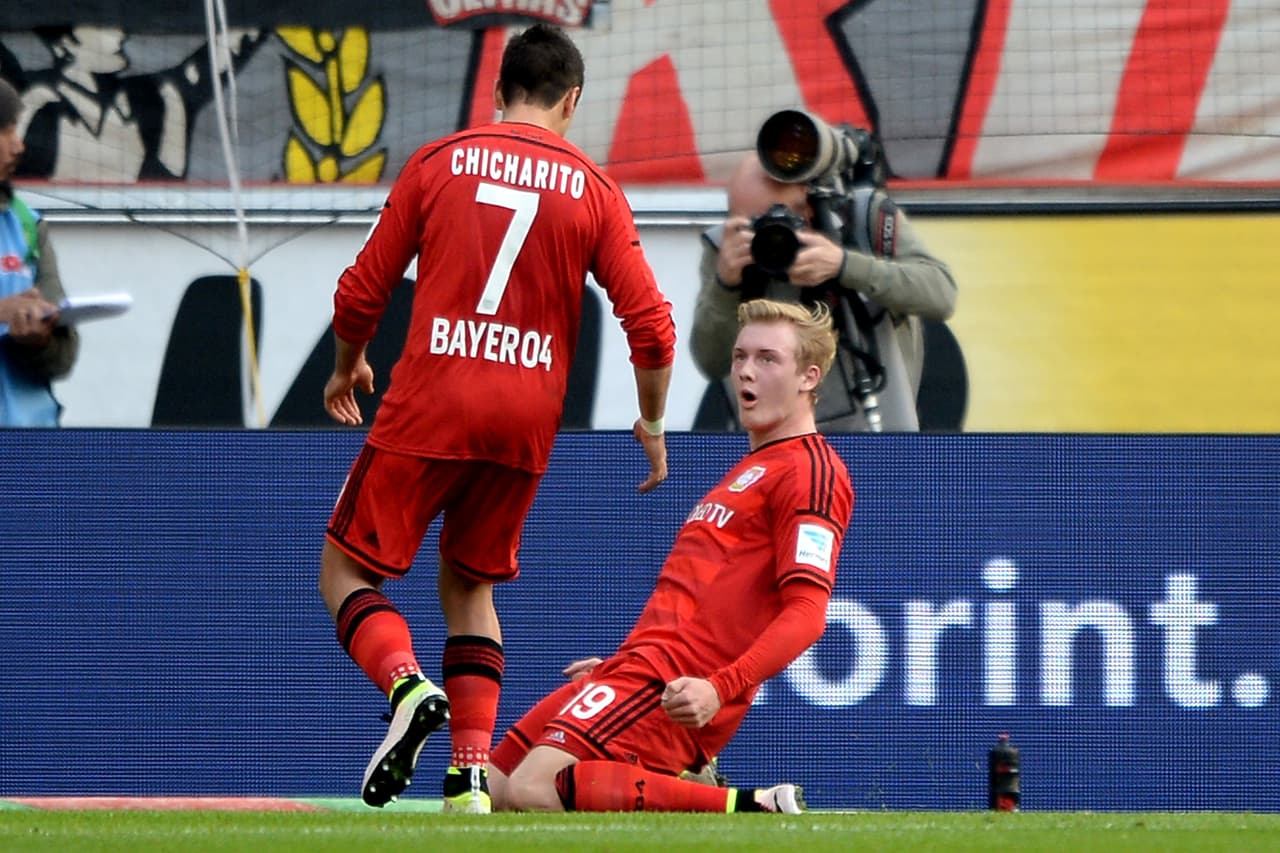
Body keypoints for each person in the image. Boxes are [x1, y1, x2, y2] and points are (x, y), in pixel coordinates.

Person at [318, 24, 676, 813]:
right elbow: (651, 325)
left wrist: (348, 365)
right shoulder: (595, 189)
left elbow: (360, 291)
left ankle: (407, 688)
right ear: (571, 101)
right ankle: (471, 779)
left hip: (432, 398)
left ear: (498, 89)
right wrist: (651, 420)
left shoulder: (440, 162)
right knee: (471, 584)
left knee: (345, 570)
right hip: (523, 422)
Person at [488, 298, 854, 814]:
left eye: (768, 359)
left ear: (808, 377)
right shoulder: (749, 469)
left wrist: (717, 688)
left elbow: (807, 616)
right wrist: (622, 664)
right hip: (637, 667)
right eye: (740, 356)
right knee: (493, 789)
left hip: (679, 682)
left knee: (532, 789)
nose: (747, 370)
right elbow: (700, 601)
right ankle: (714, 796)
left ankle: (744, 808)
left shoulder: (810, 470)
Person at [691, 147, 957, 432]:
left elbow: (940, 295)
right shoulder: (730, 248)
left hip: (879, 438)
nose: (767, 235)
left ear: (810, 207)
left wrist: (844, 265)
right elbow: (711, 362)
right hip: (774, 446)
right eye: (752, 223)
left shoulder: (862, 223)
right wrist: (725, 286)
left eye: (780, 218)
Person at [0, 77, 78, 427]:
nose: (18, 146)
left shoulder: (27, 225)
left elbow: (64, 357)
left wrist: (40, 341)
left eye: (16, 128)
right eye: (4, 130)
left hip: (29, 449)